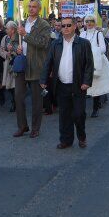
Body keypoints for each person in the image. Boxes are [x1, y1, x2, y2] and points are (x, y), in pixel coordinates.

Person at [40, 17, 93, 149]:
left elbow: (89, 65)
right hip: (61, 85)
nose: (65, 28)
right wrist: (43, 79)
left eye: (68, 25)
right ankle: (66, 140)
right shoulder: (55, 44)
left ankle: (82, 137)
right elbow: (48, 62)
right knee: (64, 115)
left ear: (75, 26)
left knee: (79, 114)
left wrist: (86, 81)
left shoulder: (84, 43)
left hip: (78, 85)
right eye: (63, 26)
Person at [13, 0, 51, 138]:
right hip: (22, 64)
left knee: (36, 100)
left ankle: (36, 128)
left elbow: (43, 43)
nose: (31, 9)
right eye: (29, 6)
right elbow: (14, 41)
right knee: (18, 96)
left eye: (34, 7)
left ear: (39, 9)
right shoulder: (22, 23)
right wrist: (16, 48)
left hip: (36, 65)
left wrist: (25, 35)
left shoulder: (44, 25)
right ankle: (22, 126)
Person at [80, 15, 107, 118]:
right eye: (87, 21)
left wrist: (91, 52)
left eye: (91, 21)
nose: (89, 23)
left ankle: (95, 109)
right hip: (83, 63)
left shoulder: (98, 34)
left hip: (95, 62)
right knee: (83, 86)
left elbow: (103, 49)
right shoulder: (82, 33)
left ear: (95, 22)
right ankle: (82, 110)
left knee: (96, 87)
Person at [0, 21, 19, 112]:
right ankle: (13, 100)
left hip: (16, 62)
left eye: (7, 28)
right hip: (8, 63)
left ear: (13, 30)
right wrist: (6, 54)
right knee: (8, 83)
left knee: (15, 84)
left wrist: (13, 50)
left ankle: (15, 102)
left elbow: (21, 50)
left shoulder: (19, 38)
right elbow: (1, 50)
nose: (6, 30)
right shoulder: (5, 38)